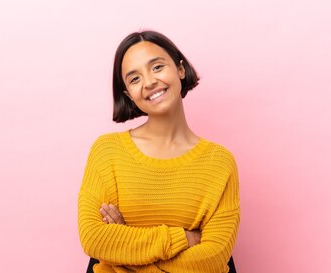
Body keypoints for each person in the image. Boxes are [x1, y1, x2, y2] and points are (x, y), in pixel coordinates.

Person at [78, 30, 240, 273]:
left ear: (180, 69)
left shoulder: (219, 162)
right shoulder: (107, 152)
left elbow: (213, 259)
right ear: (128, 96)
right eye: (134, 79)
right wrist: (184, 239)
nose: (149, 82)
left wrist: (124, 251)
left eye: (157, 67)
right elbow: (94, 238)